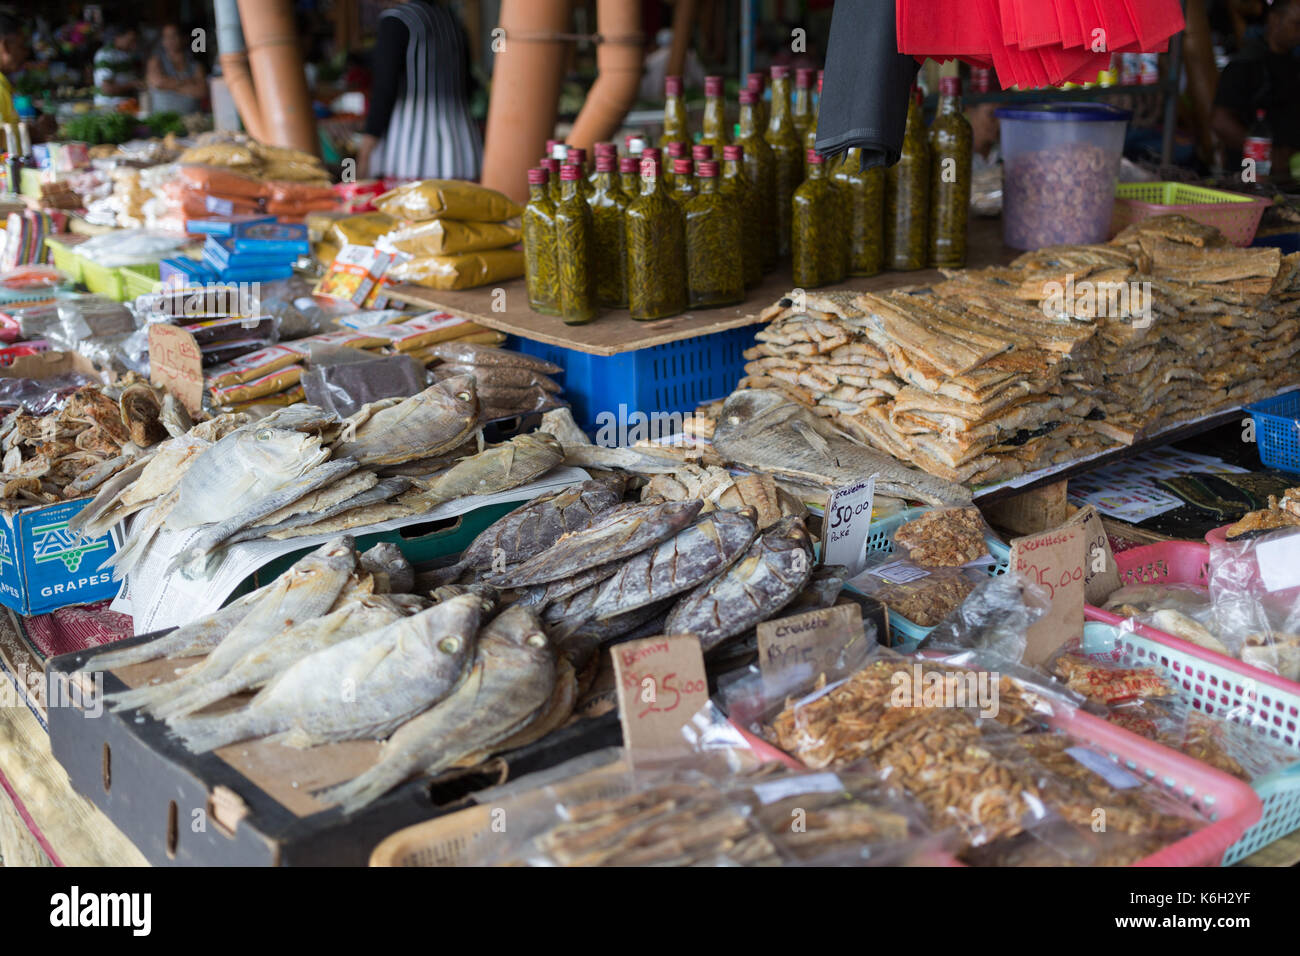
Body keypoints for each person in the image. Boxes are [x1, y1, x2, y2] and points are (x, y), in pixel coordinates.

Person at [358, 0, 481, 181]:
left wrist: (367, 148)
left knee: (413, 204)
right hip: (461, 143)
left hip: (413, 148)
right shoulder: (453, 21)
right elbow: (468, 84)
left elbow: (385, 88)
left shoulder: (396, 20)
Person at [1212, 0, 1300, 179]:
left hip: (1289, 177)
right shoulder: (1244, 66)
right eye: (1297, 24)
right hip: (1250, 175)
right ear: (1275, 20)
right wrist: (1268, 154)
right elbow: (1220, 122)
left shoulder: (1294, 65)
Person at [146, 23, 206, 114]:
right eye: (166, 37)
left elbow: (202, 91)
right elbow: (158, 83)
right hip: (163, 120)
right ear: (162, 41)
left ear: (184, 38)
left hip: (194, 120)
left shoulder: (196, 65)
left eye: (174, 35)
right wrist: (189, 82)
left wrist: (169, 84)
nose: (170, 40)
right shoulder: (155, 61)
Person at [92, 24, 143, 109]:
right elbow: (107, 89)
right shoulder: (105, 55)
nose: (134, 44)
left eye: (135, 41)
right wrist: (132, 85)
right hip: (109, 106)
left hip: (126, 104)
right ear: (118, 37)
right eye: (130, 40)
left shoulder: (127, 54)